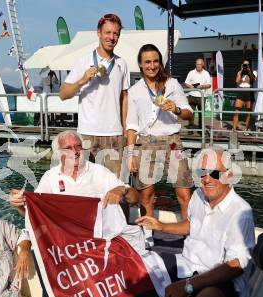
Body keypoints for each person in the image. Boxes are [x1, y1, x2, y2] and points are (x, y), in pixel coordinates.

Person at [9, 130, 141, 297]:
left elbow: (135, 197)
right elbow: (33, 216)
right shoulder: (50, 177)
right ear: (59, 154)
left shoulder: (98, 172)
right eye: (69, 148)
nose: (75, 151)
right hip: (65, 241)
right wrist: (20, 205)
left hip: (94, 240)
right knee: (40, 249)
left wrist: (121, 190)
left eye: (78, 146)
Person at [137, 148, 255, 297]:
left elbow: (235, 266)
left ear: (229, 176)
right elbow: (192, 225)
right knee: (142, 267)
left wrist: (187, 286)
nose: (207, 179)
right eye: (202, 173)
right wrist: (161, 226)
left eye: (214, 173)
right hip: (188, 263)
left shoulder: (241, 212)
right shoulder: (199, 195)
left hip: (221, 275)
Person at [126, 43, 193, 253]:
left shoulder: (172, 84)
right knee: (146, 194)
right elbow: (131, 125)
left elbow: (189, 114)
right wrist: (130, 153)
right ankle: (148, 235)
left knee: (184, 191)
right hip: (146, 142)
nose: (152, 66)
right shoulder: (134, 91)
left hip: (173, 140)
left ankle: (190, 234)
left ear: (160, 63)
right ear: (140, 64)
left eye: (155, 61)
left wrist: (177, 109)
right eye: (147, 62)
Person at [59, 14, 129, 176]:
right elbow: (63, 94)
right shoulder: (83, 61)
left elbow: (124, 98)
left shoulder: (121, 63)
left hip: (113, 134)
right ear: (99, 33)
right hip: (87, 133)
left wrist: (125, 131)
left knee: (114, 186)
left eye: (116, 33)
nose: (111, 37)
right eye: (107, 32)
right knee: (83, 183)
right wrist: (82, 80)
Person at [184, 57, 211, 129]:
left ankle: (201, 129)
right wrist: (191, 87)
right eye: (197, 64)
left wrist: (202, 86)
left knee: (201, 114)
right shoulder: (191, 72)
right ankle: (190, 128)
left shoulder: (206, 73)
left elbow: (209, 85)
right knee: (191, 113)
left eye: (199, 64)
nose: (198, 66)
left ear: (203, 65)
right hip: (192, 95)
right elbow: (186, 82)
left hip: (202, 96)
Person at [233, 59, 257, 132]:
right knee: (236, 110)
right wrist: (240, 72)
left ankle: (246, 129)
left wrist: (249, 71)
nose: (246, 66)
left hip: (249, 91)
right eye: (244, 65)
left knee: (248, 112)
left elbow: (254, 79)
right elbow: (237, 82)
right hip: (241, 90)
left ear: (250, 65)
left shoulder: (254, 72)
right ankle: (234, 128)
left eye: (247, 64)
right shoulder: (240, 72)